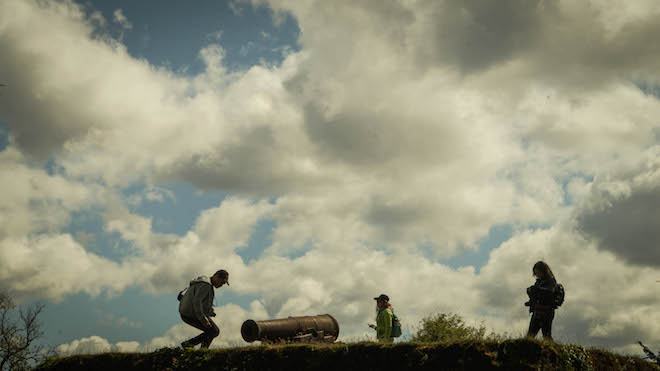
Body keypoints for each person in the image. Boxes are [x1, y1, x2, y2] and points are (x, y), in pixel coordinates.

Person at [179, 269, 229, 349]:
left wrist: (210, 312)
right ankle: (191, 345)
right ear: (216, 276)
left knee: (212, 331)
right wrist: (202, 318)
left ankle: (198, 348)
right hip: (190, 314)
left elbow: (202, 302)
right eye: (221, 282)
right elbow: (196, 302)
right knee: (214, 331)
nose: (221, 285)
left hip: (187, 313)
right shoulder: (206, 285)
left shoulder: (205, 283)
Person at [525, 261, 558, 340]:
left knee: (546, 336)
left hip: (547, 312)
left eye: (538, 272)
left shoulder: (551, 281)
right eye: (536, 273)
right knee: (530, 336)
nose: (537, 275)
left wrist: (535, 289)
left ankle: (550, 350)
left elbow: (549, 291)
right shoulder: (538, 282)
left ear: (543, 271)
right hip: (537, 311)